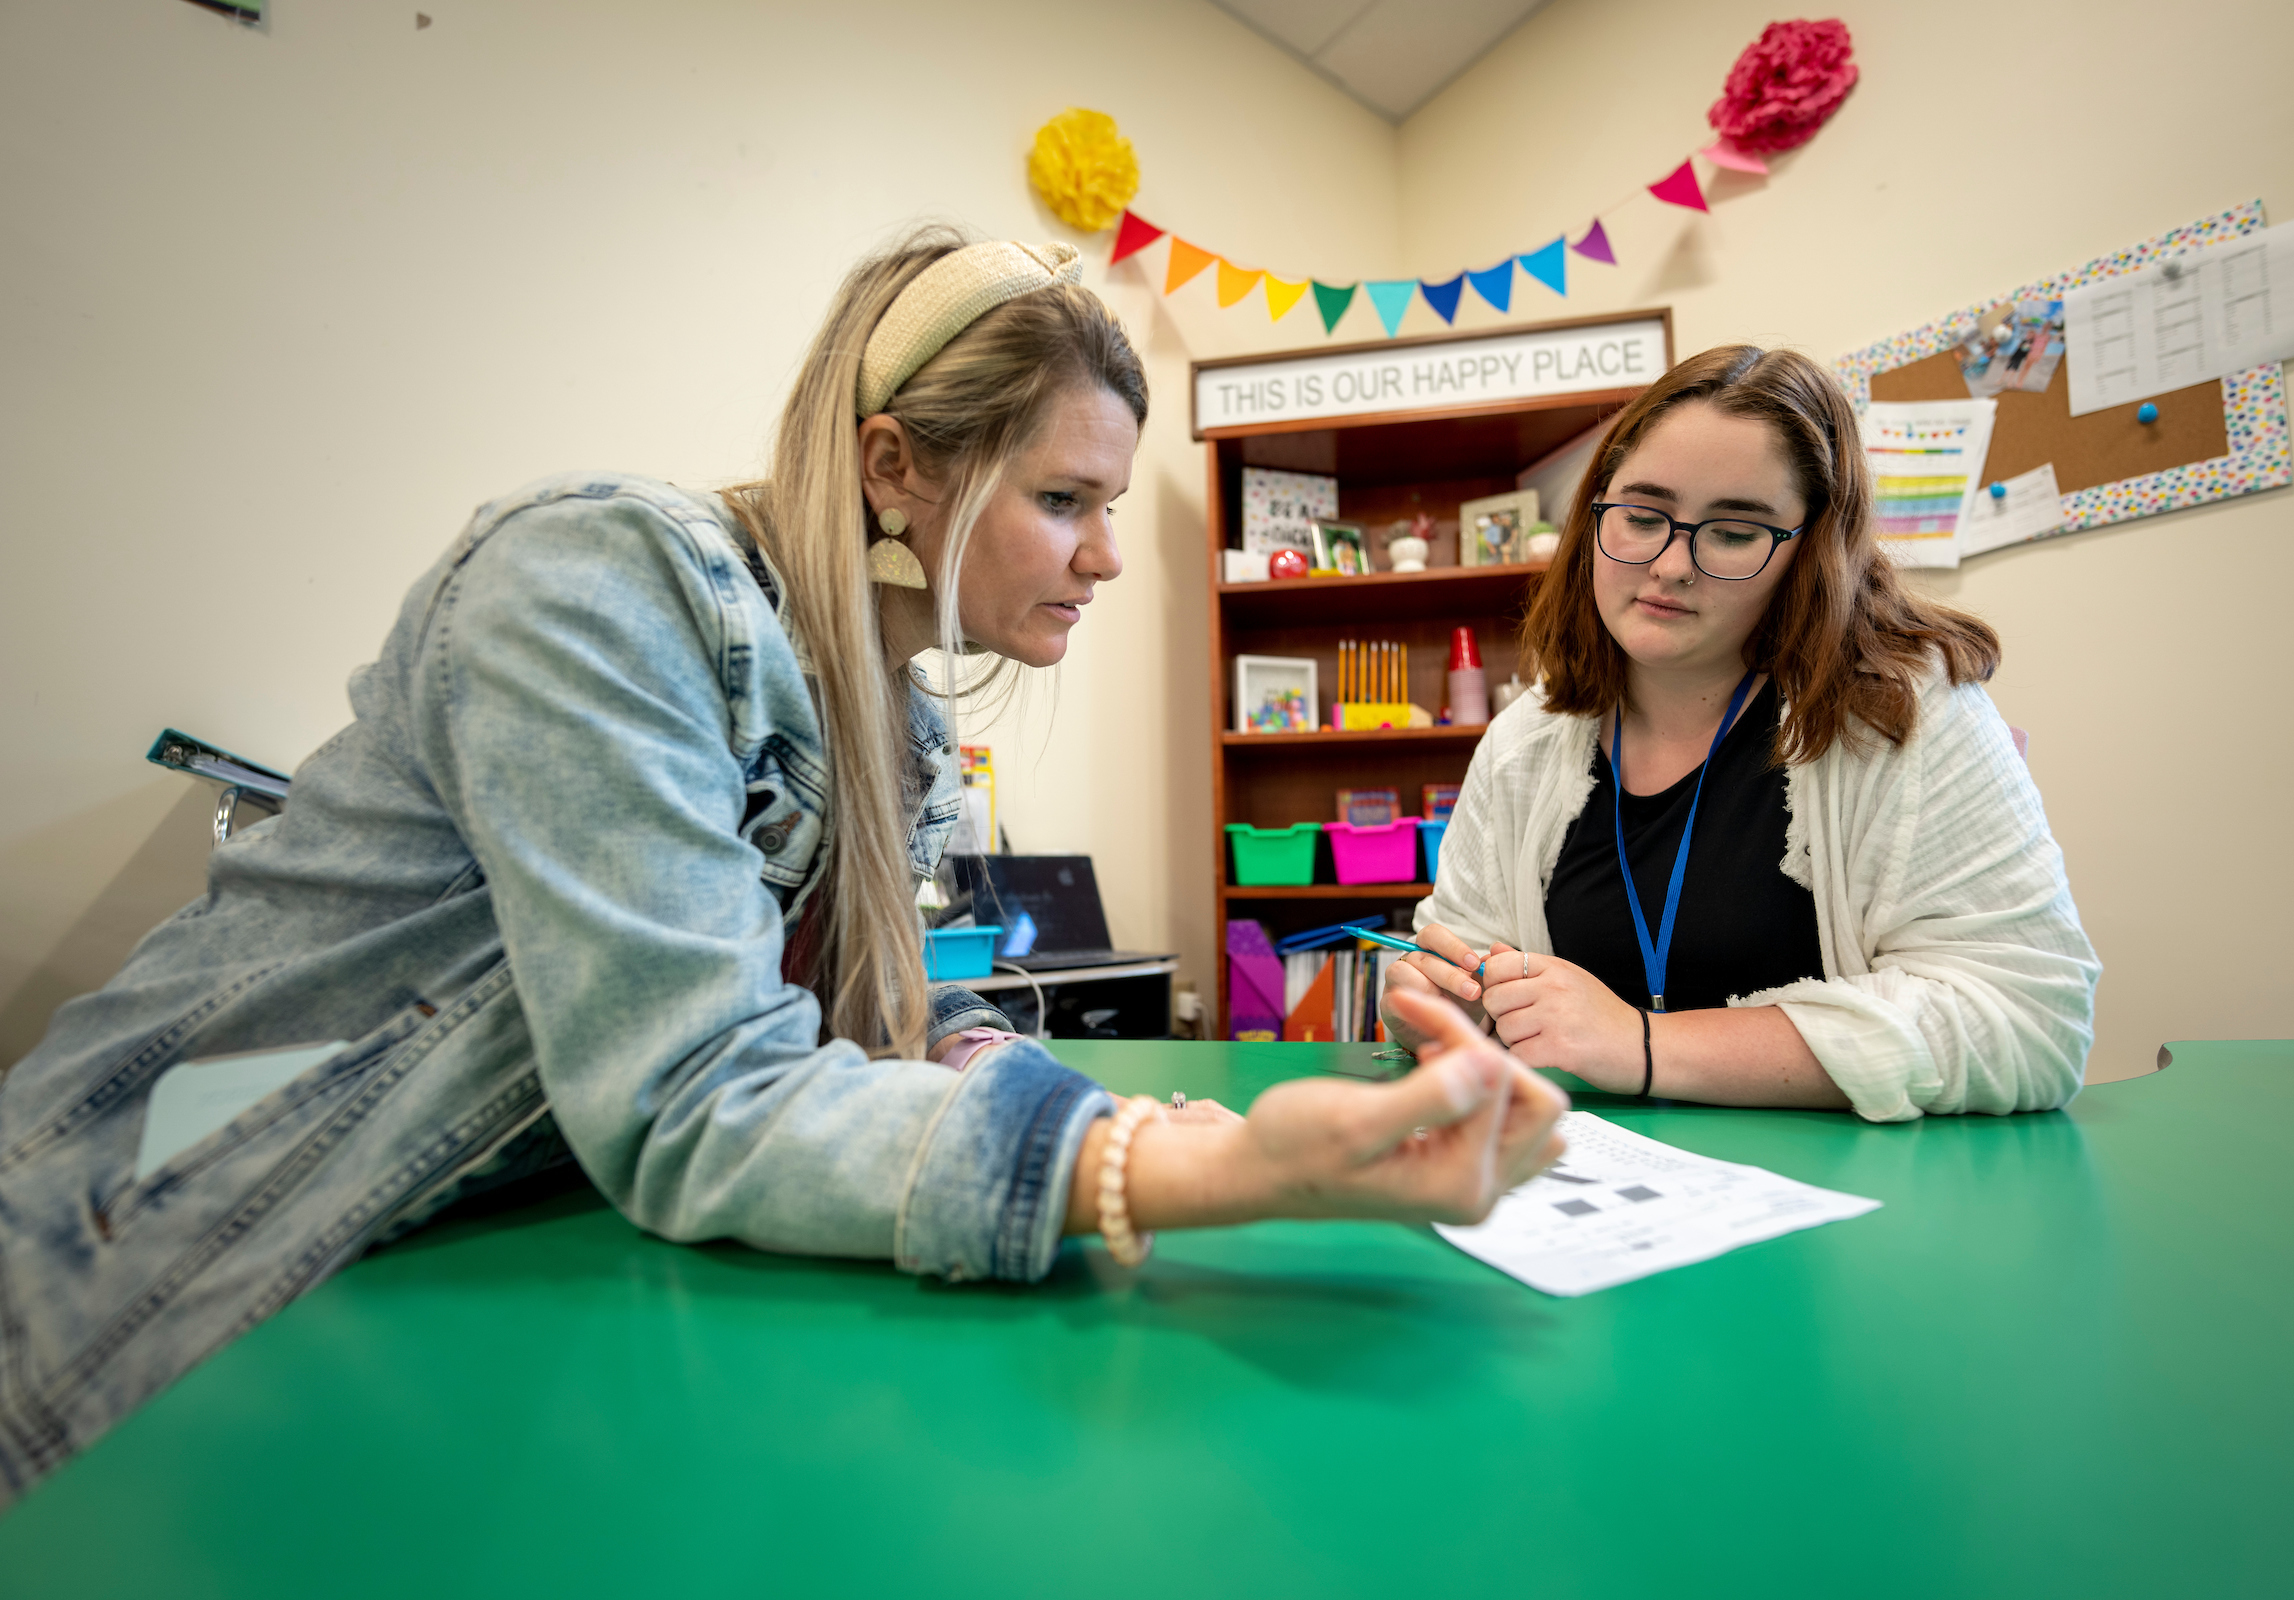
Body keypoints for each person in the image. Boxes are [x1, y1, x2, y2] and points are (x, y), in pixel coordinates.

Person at [0, 230, 1565, 1506]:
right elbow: (696, 1095)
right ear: (898, 465)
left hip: (464, 1266)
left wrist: (1121, 1112)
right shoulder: (598, 581)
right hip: (151, 1258)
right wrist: (1197, 1171)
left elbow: (874, 1035)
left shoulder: (901, 728)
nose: (1105, 555)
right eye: (1065, 500)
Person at [1382, 345, 2099, 1121]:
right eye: (1642, 515)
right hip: (1592, 1200)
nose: (1670, 564)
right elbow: (1461, 961)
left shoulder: (1908, 710)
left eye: (1732, 532)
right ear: (1596, 513)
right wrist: (1438, 1005)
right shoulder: (1528, 738)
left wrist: (1642, 1045)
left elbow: (2032, 1025)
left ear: (1810, 551)